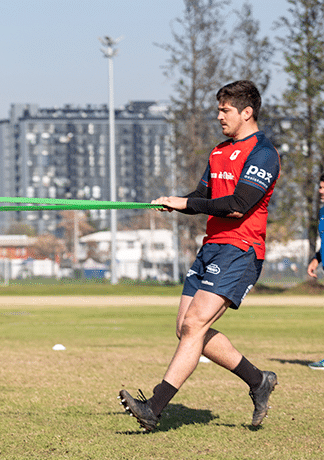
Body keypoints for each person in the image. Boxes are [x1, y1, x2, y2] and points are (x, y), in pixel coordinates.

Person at [119, 80, 280, 432]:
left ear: (246, 112)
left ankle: (153, 408)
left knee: (194, 325)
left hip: (241, 249)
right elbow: (202, 196)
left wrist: (185, 203)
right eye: (219, 109)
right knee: (186, 329)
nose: (219, 116)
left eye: (225, 110)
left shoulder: (263, 153)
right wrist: (175, 202)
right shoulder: (219, 151)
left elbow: (238, 206)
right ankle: (258, 381)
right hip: (211, 247)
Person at [306, 174, 324, 369]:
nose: (320, 190)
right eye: (320, 187)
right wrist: (316, 259)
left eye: (323, 187)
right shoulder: (322, 212)